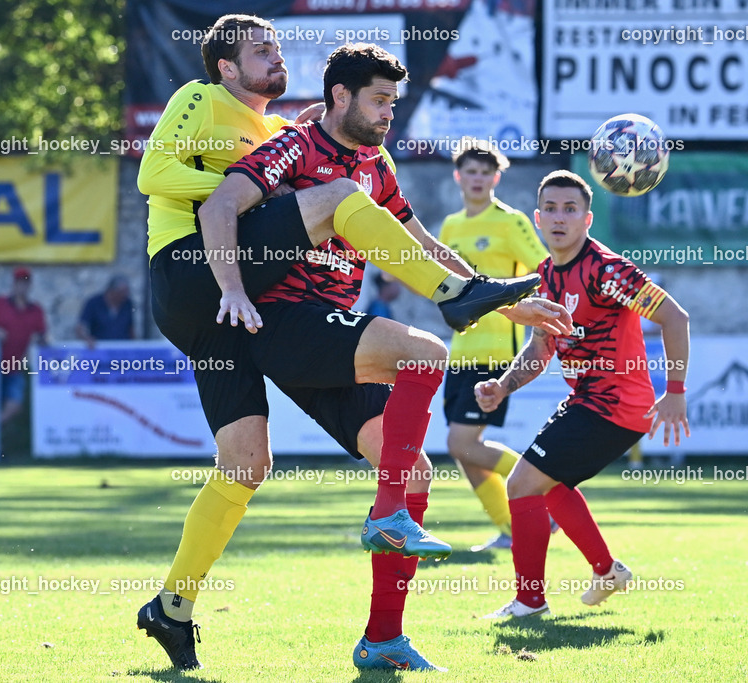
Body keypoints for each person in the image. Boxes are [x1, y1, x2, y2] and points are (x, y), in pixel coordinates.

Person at [135, 24, 567, 672]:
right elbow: (163, 176)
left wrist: (503, 299)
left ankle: (178, 606)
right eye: (261, 51)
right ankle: (451, 301)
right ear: (226, 67)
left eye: (281, 51)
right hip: (195, 275)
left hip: (241, 317)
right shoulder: (208, 102)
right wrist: (264, 192)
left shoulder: (287, 135)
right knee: (346, 207)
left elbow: (416, 238)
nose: (278, 58)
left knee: (254, 463)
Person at [475, 170, 691, 619]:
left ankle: (529, 602)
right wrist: (505, 385)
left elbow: (675, 317)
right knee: (549, 486)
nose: (559, 218)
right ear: (537, 218)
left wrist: (675, 391)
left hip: (614, 406)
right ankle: (607, 572)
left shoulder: (607, 270)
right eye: (551, 209)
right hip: (588, 403)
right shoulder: (546, 276)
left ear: (587, 219)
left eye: (570, 209)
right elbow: (540, 347)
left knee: (521, 483)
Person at [438, 138, 550, 552]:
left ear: (496, 178)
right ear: (459, 176)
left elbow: (543, 269)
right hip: (460, 352)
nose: (478, 179)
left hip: (496, 355)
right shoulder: (451, 226)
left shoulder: (511, 221)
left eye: (486, 172)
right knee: (465, 454)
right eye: (471, 171)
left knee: (460, 443)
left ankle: (544, 489)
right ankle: (509, 528)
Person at [0, 267, 48, 454]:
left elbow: (42, 333)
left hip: (14, 365)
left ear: (30, 285)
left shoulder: (35, 310)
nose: (22, 286)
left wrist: (43, 340)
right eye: (19, 282)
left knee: (14, 405)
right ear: (14, 284)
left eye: (26, 283)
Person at [75, 275, 134, 346]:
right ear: (112, 291)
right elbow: (81, 327)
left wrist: (134, 346)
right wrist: (87, 339)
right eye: (121, 293)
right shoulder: (94, 303)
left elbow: (130, 328)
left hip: (121, 351)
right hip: (99, 350)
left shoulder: (128, 304)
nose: (125, 295)